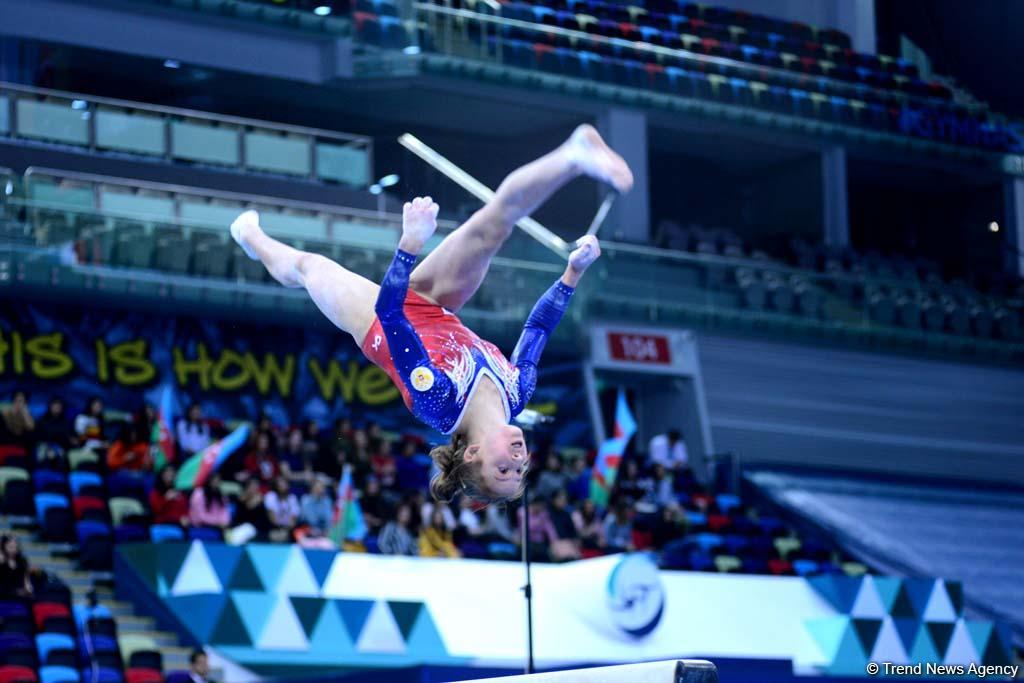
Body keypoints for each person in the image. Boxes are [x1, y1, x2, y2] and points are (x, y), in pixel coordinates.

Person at [231, 125, 631, 504]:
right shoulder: (518, 392)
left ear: (472, 453)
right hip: (436, 308)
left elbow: (389, 312)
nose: (519, 458)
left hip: (378, 322)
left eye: (503, 467)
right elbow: (539, 326)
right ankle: (573, 155)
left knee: (309, 267)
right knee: (492, 226)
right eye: (520, 469)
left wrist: (410, 243)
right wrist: (573, 271)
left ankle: (252, 240)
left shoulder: (438, 402)